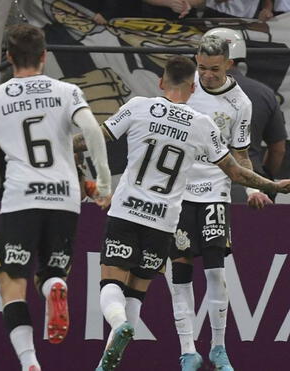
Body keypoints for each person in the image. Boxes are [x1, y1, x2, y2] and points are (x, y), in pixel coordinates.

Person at [71, 55, 290, 371]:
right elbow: (236, 172)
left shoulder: (138, 107)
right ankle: (108, 362)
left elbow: (93, 139)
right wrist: (274, 185)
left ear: (160, 82)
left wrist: (58, 143)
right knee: (136, 292)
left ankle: (118, 325)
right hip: (163, 223)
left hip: (128, 212)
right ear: (192, 87)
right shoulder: (202, 125)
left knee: (111, 285)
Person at [0, 23, 112, 371]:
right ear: (44, 57)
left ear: (8, 57)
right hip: (64, 198)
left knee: (10, 280)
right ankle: (54, 289)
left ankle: (30, 363)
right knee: (49, 270)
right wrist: (103, 184)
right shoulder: (66, 91)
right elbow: (93, 129)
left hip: (21, 198)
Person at [170, 32, 258, 371]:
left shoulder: (240, 104)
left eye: (214, 70)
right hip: (177, 193)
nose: (206, 75)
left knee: (216, 274)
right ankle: (187, 350)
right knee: (179, 271)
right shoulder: (184, 86)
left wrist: (252, 190)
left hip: (214, 193)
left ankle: (219, 348)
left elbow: (241, 155)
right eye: (202, 67)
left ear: (230, 65)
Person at [205, 28, 289, 204]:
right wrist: (266, 180)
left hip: (198, 185)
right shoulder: (264, 93)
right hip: (251, 191)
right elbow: (278, 149)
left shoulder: (190, 92)